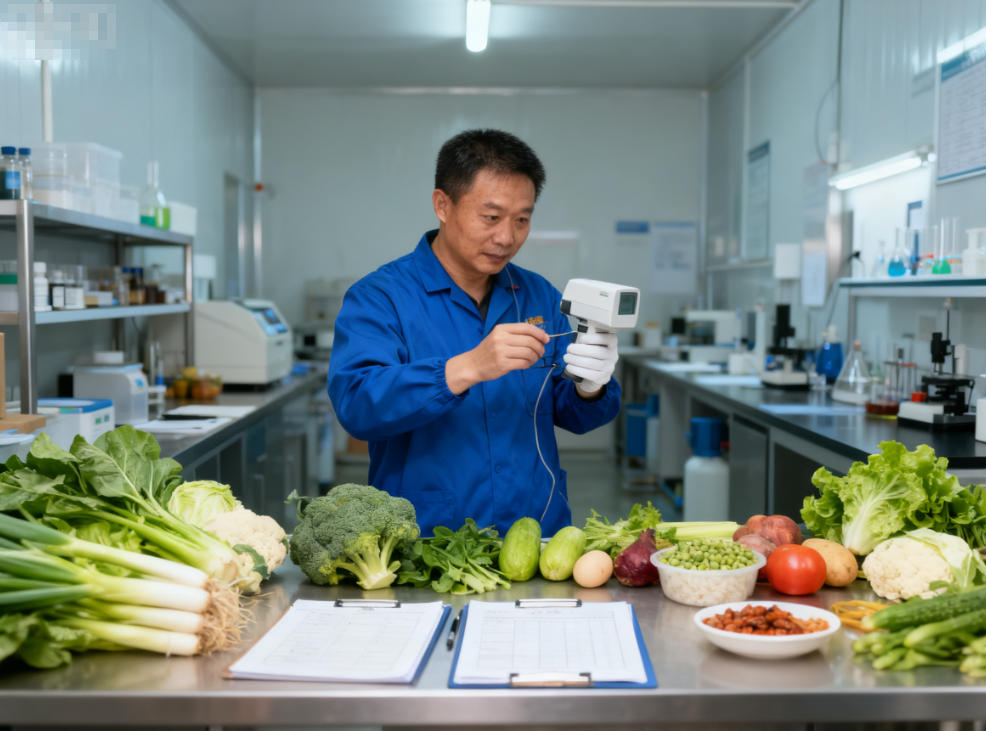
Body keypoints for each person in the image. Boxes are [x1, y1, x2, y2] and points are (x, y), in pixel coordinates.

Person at [328, 129, 622, 536]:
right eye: (491, 217)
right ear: (442, 205)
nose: (507, 237)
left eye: (522, 219)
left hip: (537, 531)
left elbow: (571, 413)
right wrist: (465, 368)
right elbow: (357, 406)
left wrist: (591, 385)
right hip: (427, 536)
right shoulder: (381, 297)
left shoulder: (537, 294)